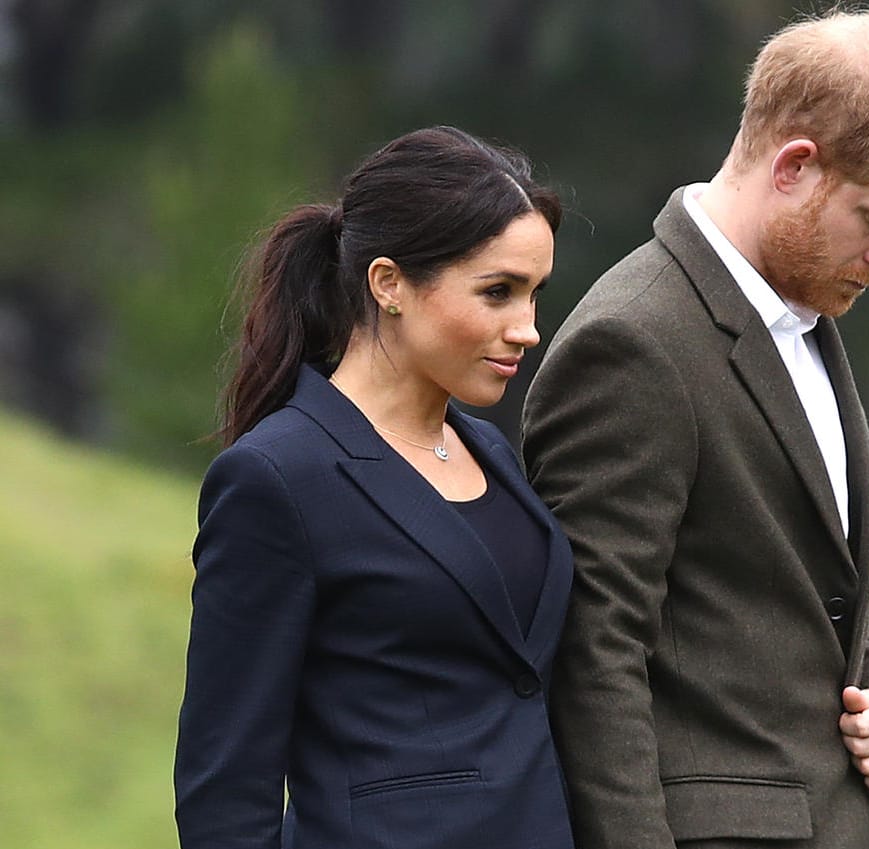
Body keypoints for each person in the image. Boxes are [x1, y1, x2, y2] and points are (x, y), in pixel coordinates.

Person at [521, 9, 869, 849]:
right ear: (796, 165)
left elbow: (816, 585)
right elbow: (594, 655)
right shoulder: (633, 342)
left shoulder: (800, 314)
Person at [174, 126, 574, 849]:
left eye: (535, 294)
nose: (528, 329)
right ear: (388, 283)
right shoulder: (276, 477)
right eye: (498, 292)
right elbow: (226, 784)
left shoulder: (490, 452)